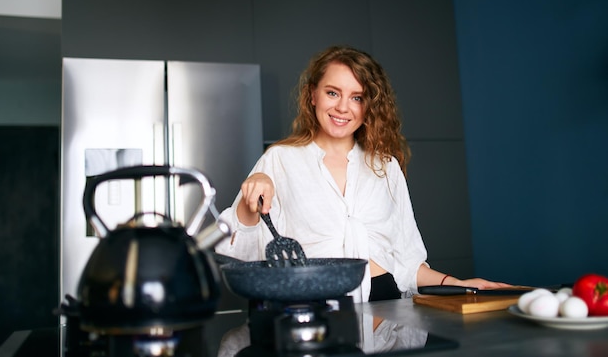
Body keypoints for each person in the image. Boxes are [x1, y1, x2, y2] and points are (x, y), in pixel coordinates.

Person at [215, 45, 509, 302]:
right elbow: (237, 252)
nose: (343, 107)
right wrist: (249, 199)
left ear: (369, 106)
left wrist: (456, 284)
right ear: (312, 95)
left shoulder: (385, 167)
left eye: (357, 97)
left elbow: (406, 262)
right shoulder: (280, 160)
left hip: (385, 306)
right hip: (310, 307)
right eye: (333, 93)